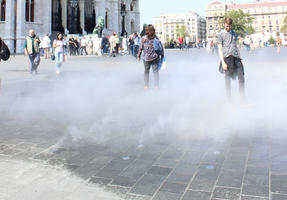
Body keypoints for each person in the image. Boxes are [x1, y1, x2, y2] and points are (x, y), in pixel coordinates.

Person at [217, 18, 245, 101]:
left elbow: (235, 45)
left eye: (229, 26)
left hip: (236, 58)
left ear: (231, 25)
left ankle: (242, 98)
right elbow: (220, 49)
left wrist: (240, 57)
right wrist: (223, 62)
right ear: (224, 25)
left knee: (241, 77)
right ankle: (229, 100)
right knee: (227, 79)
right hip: (227, 58)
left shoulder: (234, 33)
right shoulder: (221, 34)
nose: (228, 28)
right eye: (226, 26)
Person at [137, 24, 164, 89]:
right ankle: (156, 85)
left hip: (146, 57)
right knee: (155, 71)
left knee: (146, 71)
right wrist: (162, 55)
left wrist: (138, 56)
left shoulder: (144, 38)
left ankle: (146, 85)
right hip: (155, 57)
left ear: (146, 31)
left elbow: (140, 48)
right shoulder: (156, 38)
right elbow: (161, 47)